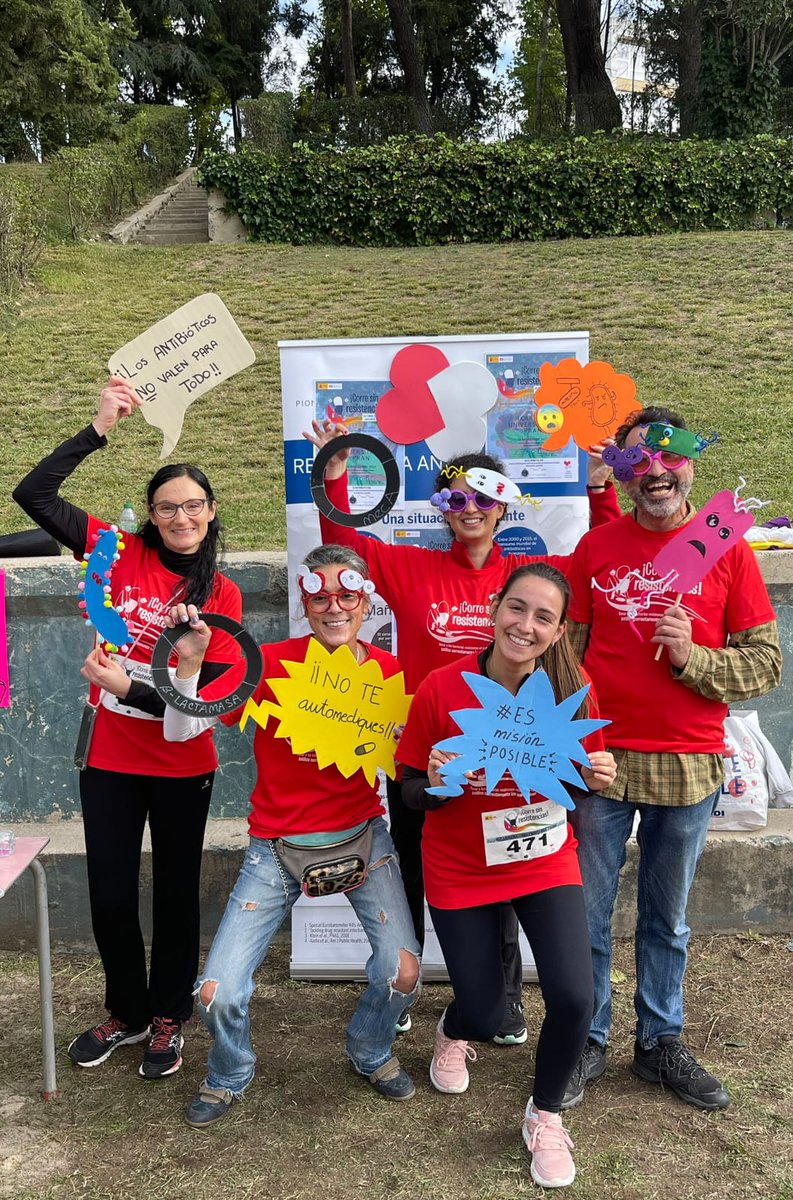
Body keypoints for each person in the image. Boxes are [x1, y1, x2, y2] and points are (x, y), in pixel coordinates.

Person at [304, 418, 620, 1044]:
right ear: (442, 507)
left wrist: (604, 488)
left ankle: (499, 1005)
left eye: (483, 496)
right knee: (422, 880)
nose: (470, 508)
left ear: (503, 503)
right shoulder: (413, 569)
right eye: (456, 497)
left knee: (507, 873)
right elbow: (342, 543)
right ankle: (409, 997)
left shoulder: (529, 576)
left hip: (517, 760)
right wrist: (336, 466)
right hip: (430, 758)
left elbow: (601, 561)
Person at [12, 375, 242, 1079]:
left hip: (181, 764)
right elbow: (33, 497)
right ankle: (129, 1011)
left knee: (175, 894)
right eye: (168, 506)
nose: (181, 517)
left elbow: (211, 706)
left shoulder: (221, 595)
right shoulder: (116, 551)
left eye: (193, 505)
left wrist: (132, 690)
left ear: (209, 512)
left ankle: (170, 1015)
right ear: (150, 513)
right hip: (111, 758)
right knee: (110, 895)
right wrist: (98, 427)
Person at [562, 405, 782, 1112]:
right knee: (587, 912)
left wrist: (693, 660)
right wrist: (564, 736)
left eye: (669, 455)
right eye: (635, 460)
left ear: (692, 461)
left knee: (667, 917)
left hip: (688, 760)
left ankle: (659, 1042)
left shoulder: (728, 548)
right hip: (599, 756)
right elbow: (562, 649)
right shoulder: (596, 549)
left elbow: (764, 664)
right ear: (621, 474)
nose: (654, 470)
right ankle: (586, 1039)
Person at [161, 544, 422, 1128]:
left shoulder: (388, 673)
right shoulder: (270, 663)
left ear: (366, 601)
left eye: (347, 594)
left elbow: (415, 756)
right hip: (275, 848)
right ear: (304, 600)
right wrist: (189, 663)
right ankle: (230, 1070)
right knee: (215, 993)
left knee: (402, 971)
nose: (334, 605)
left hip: (362, 838)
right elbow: (182, 730)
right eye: (320, 594)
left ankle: (371, 1048)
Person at [396, 562, 617, 1189]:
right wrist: (434, 787)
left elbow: (575, 782)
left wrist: (595, 778)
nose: (526, 625)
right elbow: (408, 789)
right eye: (517, 608)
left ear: (558, 631)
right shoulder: (443, 687)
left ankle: (544, 1115)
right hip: (462, 866)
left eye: (543, 617)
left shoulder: (575, 691)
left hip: (544, 859)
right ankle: (453, 1029)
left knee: (576, 997)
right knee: (488, 1012)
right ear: (495, 608)